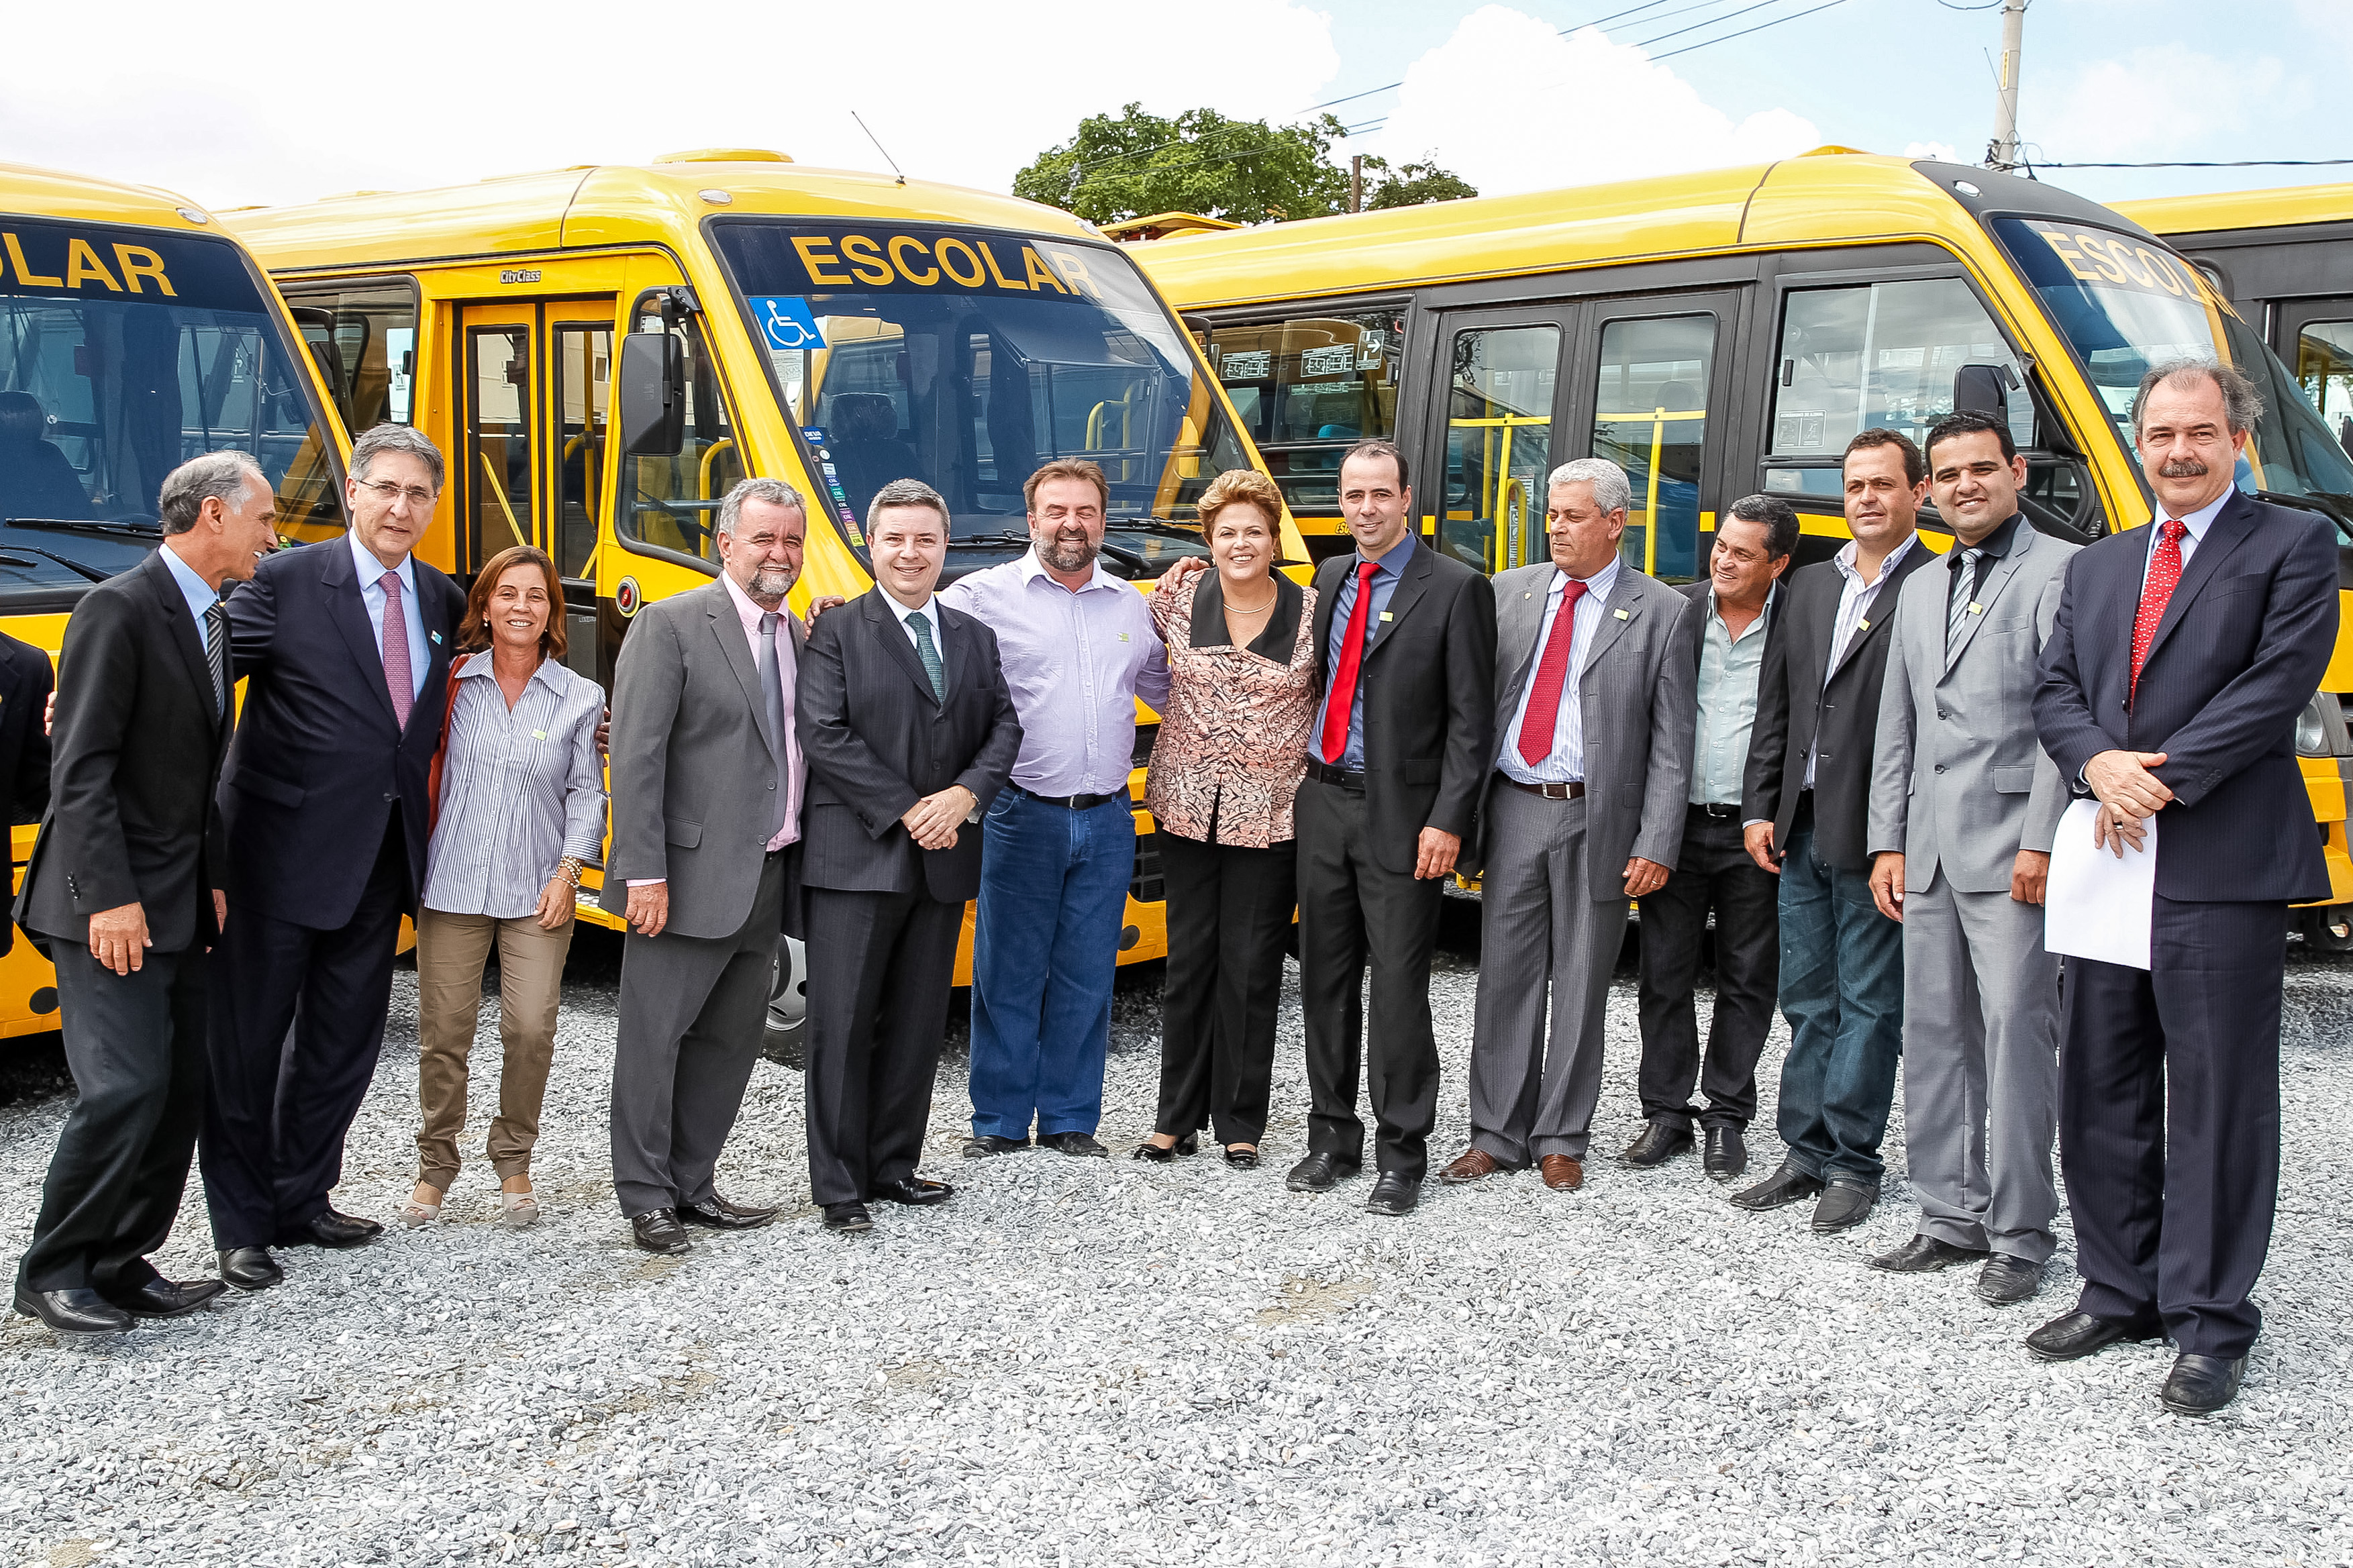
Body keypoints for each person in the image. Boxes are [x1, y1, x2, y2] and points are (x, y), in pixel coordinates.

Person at [2029, 362, 2338, 1416]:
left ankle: (2209, 1320)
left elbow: (2274, 685)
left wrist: (2146, 778)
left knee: (2215, 1102)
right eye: (2159, 434)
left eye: (2198, 432)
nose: (2177, 452)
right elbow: (2056, 689)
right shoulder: (2099, 564)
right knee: (2100, 1080)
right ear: (2139, 442)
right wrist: (2094, 766)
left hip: (2217, 859)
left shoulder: (2291, 545)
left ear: (2235, 439)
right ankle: (2118, 1288)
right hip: (2106, 856)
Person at [203, 425, 468, 1292]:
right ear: (350, 492)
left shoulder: (438, 595)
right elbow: (200, 672)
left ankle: (300, 1195)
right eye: (385, 488)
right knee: (246, 1047)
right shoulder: (281, 580)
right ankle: (242, 1225)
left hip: (379, 864)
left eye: (418, 494)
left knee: (340, 1046)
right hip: (274, 861)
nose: (401, 506)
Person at [12, 452, 272, 1335]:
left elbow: (196, 775)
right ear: (212, 515)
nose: (272, 536)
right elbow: (78, 773)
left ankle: (122, 1262)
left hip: (182, 900)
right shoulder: (115, 610)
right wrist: (108, 900)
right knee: (122, 1087)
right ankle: (53, 1273)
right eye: (263, 519)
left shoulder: (217, 622)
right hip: (109, 904)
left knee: (176, 1090)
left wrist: (214, 883)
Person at [1860, 409, 2074, 1300]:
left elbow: (2063, 720)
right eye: (1945, 475)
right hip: (1929, 853)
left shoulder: (2060, 573)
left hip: (2012, 856)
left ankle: (2022, 1234)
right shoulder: (1918, 585)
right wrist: (1885, 840)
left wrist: (2040, 839)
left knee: (2019, 1044)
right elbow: (1897, 725)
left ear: (2015, 472)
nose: (1963, 487)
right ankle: (1948, 1216)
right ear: (1928, 489)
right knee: (1936, 1038)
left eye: (1979, 469)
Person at [1440, 458, 1693, 1198]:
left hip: (1601, 815)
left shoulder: (1661, 610)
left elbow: (1672, 744)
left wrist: (1655, 841)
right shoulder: (1506, 593)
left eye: (1572, 515)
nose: (1555, 526)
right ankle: (1494, 1134)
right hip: (1516, 803)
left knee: (1582, 981)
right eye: (1551, 513)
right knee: (1504, 978)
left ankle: (1559, 1137)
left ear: (1615, 523)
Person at [796, 479, 1021, 1233]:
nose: (910, 552)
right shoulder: (832, 632)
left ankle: (892, 1164)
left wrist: (963, 797)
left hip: (944, 857)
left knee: (919, 1022)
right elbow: (823, 733)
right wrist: (907, 810)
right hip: (857, 857)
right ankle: (837, 1186)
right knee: (842, 1024)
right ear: (871, 544)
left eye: (925, 538)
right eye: (894, 538)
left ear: (943, 545)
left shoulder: (971, 636)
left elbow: (1004, 729)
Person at [599, 477, 809, 1255]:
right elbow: (637, 756)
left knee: (728, 1042)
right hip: (682, 879)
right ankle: (645, 1195)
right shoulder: (672, 625)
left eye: (790, 540)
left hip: (768, 875)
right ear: (726, 544)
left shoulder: (799, 634)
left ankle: (693, 1182)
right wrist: (641, 871)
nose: (778, 554)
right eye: (763, 538)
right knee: (654, 1040)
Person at [938, 459, 1169, 1159]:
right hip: (1020, 812)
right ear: (1031, 517)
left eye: (1086, 512)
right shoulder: (979, 598)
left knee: (1087, 971)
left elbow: (1170, 688)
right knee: (1006, 971)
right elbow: (905, 642)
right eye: (1057, 511)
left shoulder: (1129, 604)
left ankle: (1070, 1119)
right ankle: (999, 1123)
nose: (1072, 524)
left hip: (1106, 819)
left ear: (1101, 520)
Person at [1291, 439, 1494, 1216]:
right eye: (1352, 496)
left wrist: (1448, 820)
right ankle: (1331, 1139)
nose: (1365, 509)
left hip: (1404, 817)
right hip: (1322, 802)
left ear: (1407, 499)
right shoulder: (1332, 576)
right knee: (1323, 979)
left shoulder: (1453, 588)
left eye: (1380, 495)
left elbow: (1472, 723)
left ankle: (1399, 1154)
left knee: (1400, 987)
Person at [1737, 430, 1934, 1229]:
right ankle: (1802, 1151)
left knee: (1868, 1003)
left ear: (1915, 493)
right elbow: (1777, 704)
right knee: (1807, 999)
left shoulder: (1936, 580)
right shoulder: (1812, 586)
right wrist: (1759, 804)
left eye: (1882, 484)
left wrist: (1902, 834)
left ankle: (1854, 1163)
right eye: (1854, 485)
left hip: (1876, 827)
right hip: (1800, 823)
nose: (1865, 499)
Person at [401, 545, 605, 1232]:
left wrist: (570, 870)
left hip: (537, 891)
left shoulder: (581, 697)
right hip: (451, 884)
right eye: (507, 594)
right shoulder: (452, 681)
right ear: (484, 606)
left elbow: (585, 794)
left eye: (537, 596)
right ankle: (435, 1168)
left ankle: (513, 1160)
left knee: (530, 1030)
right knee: (444, 1035)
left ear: (553, 611)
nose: (522, 607)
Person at [1136, 470, 1316, 1170]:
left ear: (1274, 538)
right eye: (1225, 532)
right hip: (1183, 811)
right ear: (1206, 541)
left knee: (1251, 970)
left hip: (1269, 819)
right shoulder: (1176, 595)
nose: (1240, 543)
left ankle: (1239, 1121)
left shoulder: (1311, 611)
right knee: (1188, 965)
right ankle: (1173, 1119)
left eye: (1253, 531)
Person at [1627, 496, 1793, 1179]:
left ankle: (1726, 1114)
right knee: (1661, 975)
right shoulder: (1676, 609)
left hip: (1753, 832)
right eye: (1721, 546)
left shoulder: (1798, 620)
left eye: (1743, 553)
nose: (1724, 561)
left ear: (1778, 564)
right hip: (1674, 824)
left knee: (1747, 979)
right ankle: (1665, 1112)